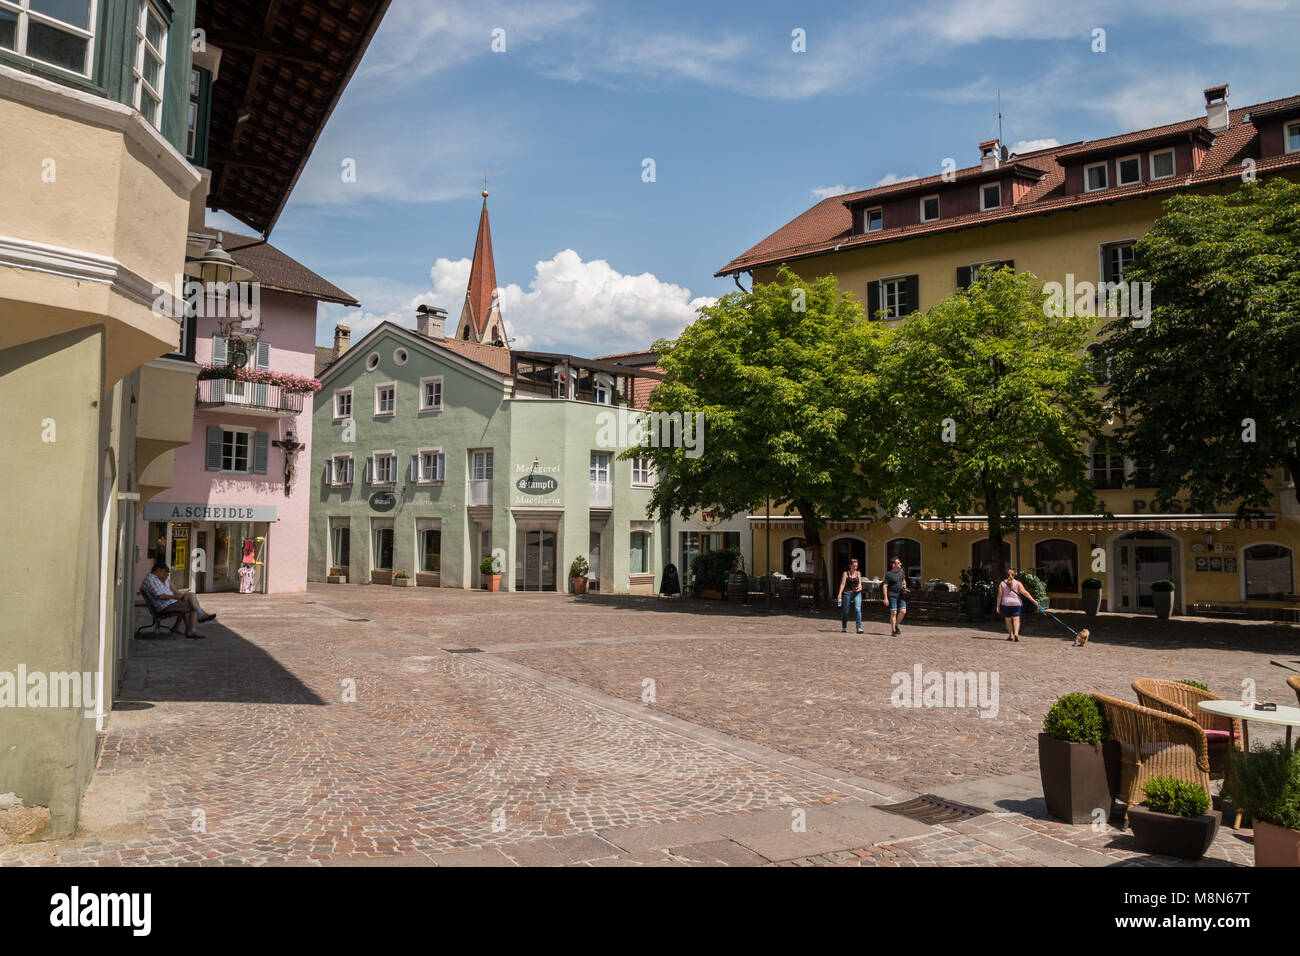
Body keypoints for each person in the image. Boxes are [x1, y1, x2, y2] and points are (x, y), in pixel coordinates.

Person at [141, 563, 216, 638]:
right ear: (158, 570)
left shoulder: (155, 579)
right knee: (192, 605)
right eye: (164, 573)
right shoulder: (151, 580)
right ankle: (193, 628)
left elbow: (172, 593)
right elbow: (160, 596)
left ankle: (182, 626)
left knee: (190, 597)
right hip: (165, 607)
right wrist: (175, 597)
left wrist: (178, 596)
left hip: (168, 604)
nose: (165, 576)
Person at [996, 568, 1038, 642]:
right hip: (1016, 603)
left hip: (1006, 603)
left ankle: (1011, 635)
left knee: (1008, 620)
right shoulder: (1018, 583)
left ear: (1006, 575)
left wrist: (997, 606)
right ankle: (1016, 633)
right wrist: (1033, 601)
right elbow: (1024, 592)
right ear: (1013, 575)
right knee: (1016, 619)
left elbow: (1000, 595)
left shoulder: (1002, 583)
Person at [836, 558, 864, 634]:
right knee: (846, 611)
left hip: (857, 593)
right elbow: (842, 584)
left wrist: (860, 588)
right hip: (847, 593)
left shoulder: (858, 573)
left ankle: (859, 627)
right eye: (854, 566)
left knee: (858, 609)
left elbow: (860, 584)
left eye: (856, 566)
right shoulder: (845, 573)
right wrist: (840, 593)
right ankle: (844, 626)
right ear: (850, 565)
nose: (855, 568)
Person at [883, 556, 908, 636]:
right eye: (898, 563)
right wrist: (886, 598)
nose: (900, 564)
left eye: (900, 562)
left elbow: (904, 582)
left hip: (901, 594)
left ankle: (896, 625)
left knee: (903, 611)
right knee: (894, 612)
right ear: (893, 565)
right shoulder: (888, 574)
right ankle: (893, 630)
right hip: (892, 595)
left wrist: (904, 587)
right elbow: (885, 586)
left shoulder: (901, 572)